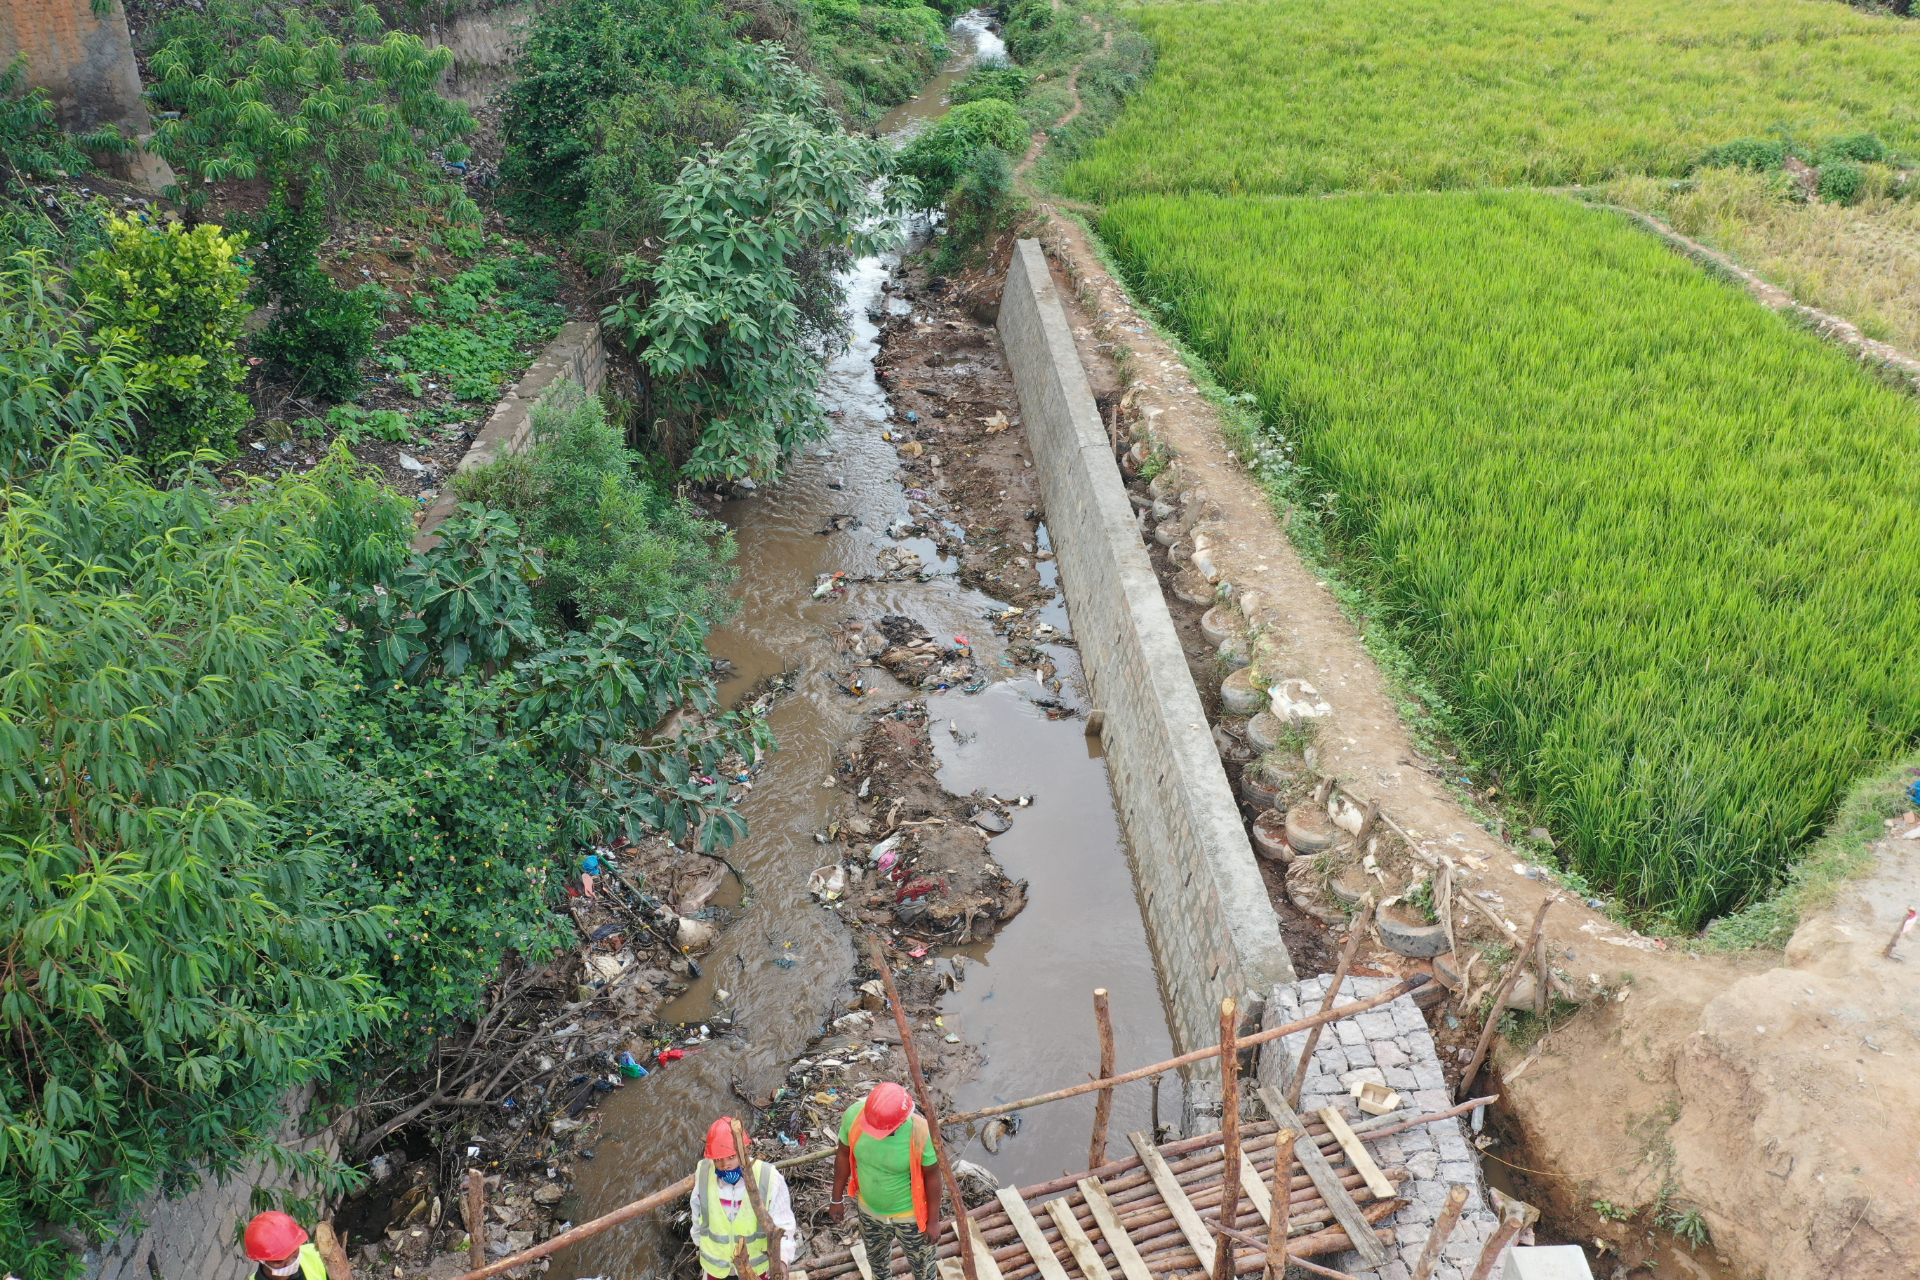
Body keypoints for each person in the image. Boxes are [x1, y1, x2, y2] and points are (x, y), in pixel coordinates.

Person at [829, 1083, 944, 1280]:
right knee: (877, 1266)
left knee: (924, 1270)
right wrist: (836, 1199)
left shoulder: (920, 1133)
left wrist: (933, 1221)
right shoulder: (854, 1117)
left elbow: (933, 1176)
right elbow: (843, 1155)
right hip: (869, 1212)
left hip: (911, 1218)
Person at [691, 1116, 798, 1279]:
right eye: (718, 1159)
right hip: (717, 1270)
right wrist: (701, 1245)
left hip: (756, 1269)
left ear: (744, 1151)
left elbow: (784, 1224)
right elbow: (697, 1215)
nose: (725, 1165)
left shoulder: (768, 1178)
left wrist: (782, 1260)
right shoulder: (704, 1174)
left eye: (731, 1157)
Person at [242, 1211, 326, 1280]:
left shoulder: (318, 1255)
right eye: (279, 1261)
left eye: (294, 1251)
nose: (291, 1262)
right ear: (260, 1260)